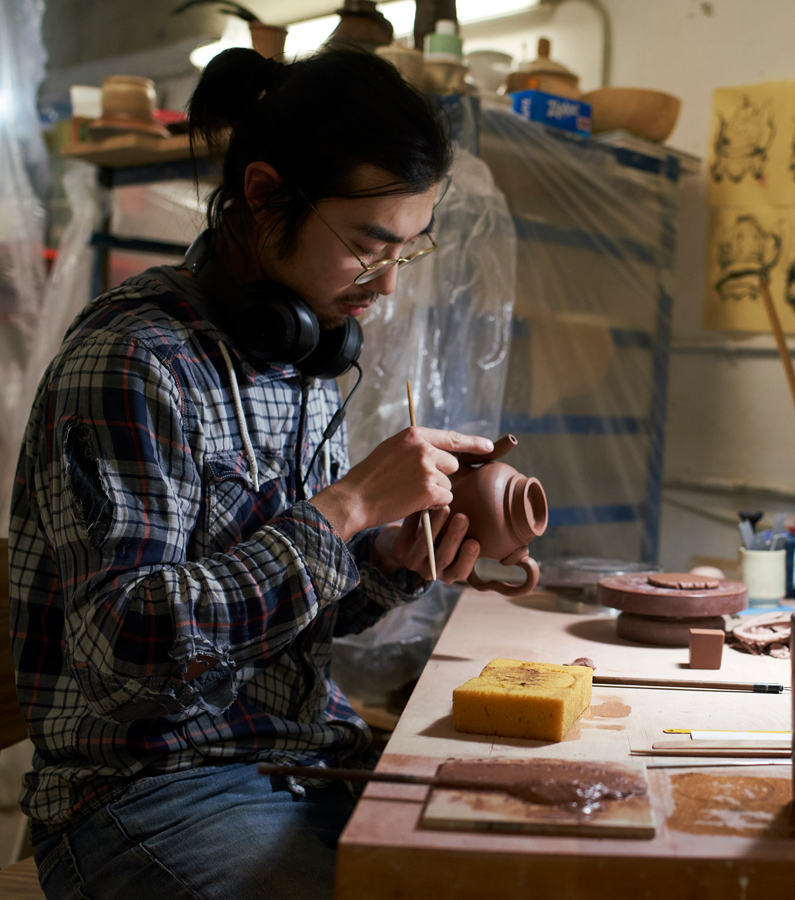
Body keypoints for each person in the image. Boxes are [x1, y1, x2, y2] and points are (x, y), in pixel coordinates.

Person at [7, 47, 494, 900]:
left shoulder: (299, 357)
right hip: (147, 790)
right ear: (266, 196)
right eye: (368, 246)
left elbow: (281, 624)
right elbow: (121, 656)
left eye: (407, 251)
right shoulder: (134, 360)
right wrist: (345, 508)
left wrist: (388, 560)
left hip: (300, 760)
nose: (385, 286)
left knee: (510, 863)